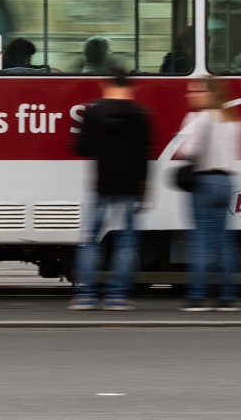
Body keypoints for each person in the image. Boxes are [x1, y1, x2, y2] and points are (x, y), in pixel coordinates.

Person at [69, 69, 152, 312]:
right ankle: (117, 296)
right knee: (126, 243)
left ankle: (86, 295)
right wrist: (145, 190)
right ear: (130, 86)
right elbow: (144, 157)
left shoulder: (94, 112)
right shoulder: (140, 114)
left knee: (91, 241)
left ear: (106, 84)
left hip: (102, 185)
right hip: (129, 187)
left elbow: (81, 148)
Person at [176, 77, 241, 312]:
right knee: (225, 241)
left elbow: (191, 150)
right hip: (227, 181)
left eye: (196, 90)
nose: (190, 95)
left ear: (210, 93)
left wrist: (181, 148)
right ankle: (227, 297)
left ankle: (197, 296)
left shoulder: (200, 118)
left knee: (200, 241)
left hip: (204, 181)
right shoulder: (235, 120)